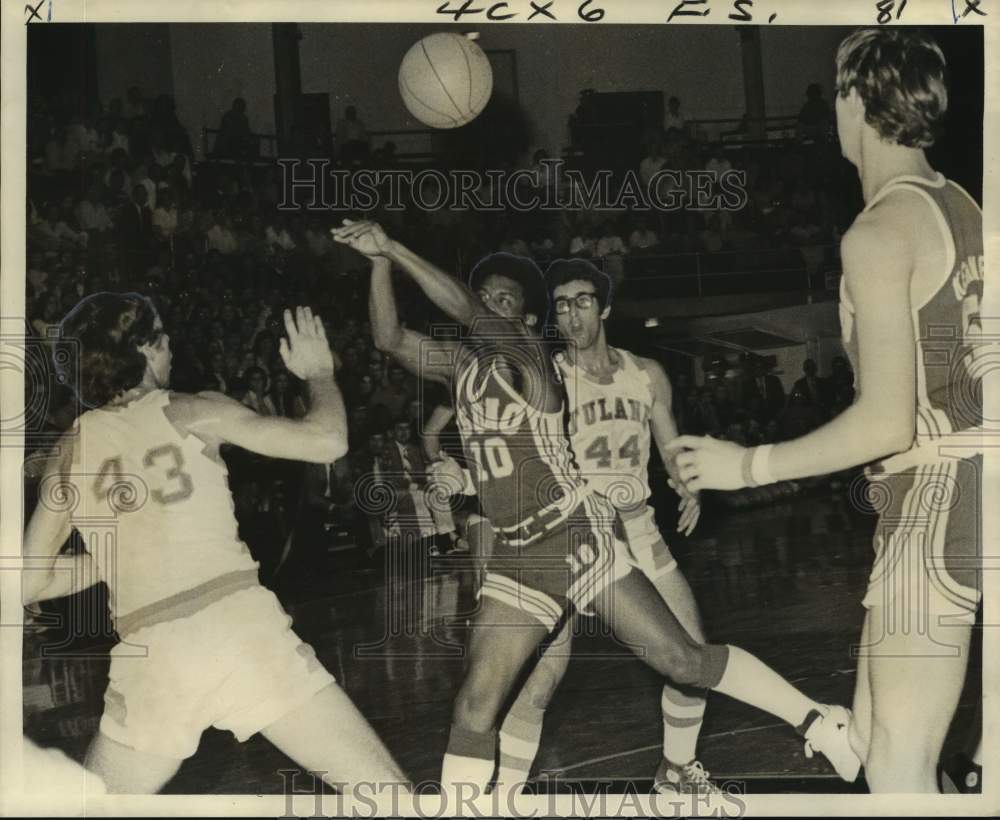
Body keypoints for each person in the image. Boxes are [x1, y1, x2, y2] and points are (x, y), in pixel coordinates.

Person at [332, 219, 859, 795]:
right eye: (486, 295)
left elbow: (463, 310)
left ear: (526, 321)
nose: (488, 305)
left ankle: (818, 717)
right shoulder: (461, 370)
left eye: (503, 300)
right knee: (475, 706)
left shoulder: (530, 361)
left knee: (681, 661)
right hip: (516, 551)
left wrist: (394, 246)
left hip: (572, 534)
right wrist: (377, 265)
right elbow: (388, 338)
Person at [670, 28, 984, 793]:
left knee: (900, 777)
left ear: (853, 98)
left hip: (939, 495)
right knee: (882, 749)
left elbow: (886, 422)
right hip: (962, 487)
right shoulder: (963, 204)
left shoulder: (878, 232)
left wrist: (743, 466)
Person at [22, 295, 408, 794]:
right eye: (160, 336)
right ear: (141, 349)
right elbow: (327, 442)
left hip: (154, 656)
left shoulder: (68, 452)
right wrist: (319, 374)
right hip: (240, 630)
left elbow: (28, 580)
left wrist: (115, 558)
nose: (170, 345)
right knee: (386, 796)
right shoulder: (191, 408)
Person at [490, 258, 716, 794]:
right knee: (541, 679)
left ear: (606, 307)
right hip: (571, 537)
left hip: (638, 533)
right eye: (562, 305)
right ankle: (503, 796)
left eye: (583, 301)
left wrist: (690, 485)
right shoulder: (545, 375)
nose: (572, 314)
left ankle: (676, 772)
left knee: (693, 661)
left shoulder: (646, 374)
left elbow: (672, 448)